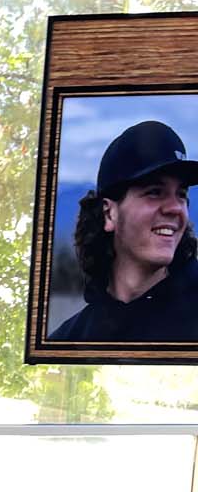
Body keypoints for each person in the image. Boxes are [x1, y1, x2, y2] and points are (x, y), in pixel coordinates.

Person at [49, 120, 198, 342]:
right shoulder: (71, 339)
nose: (176, 208)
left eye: (181, 194)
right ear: (109, 214)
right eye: (155, 192)